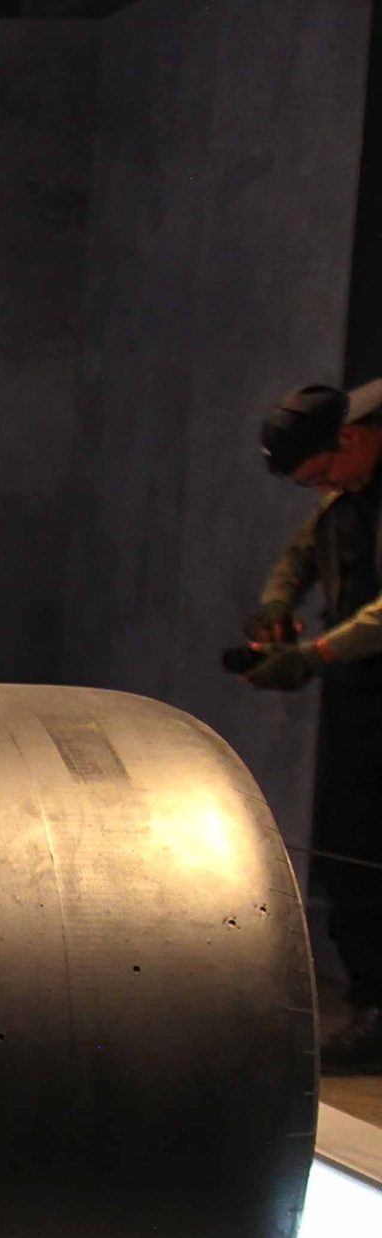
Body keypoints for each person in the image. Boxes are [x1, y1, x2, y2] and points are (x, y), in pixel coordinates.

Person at [248, 378, 382, 1070]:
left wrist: (313, 654)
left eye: (322, 473)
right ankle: (372, 1004)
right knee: (348, 846)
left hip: (365, 676)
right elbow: (304, 551)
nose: (324, 487)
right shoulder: (348, 485)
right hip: (360, 697)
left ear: (351, 438)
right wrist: (277, 606)